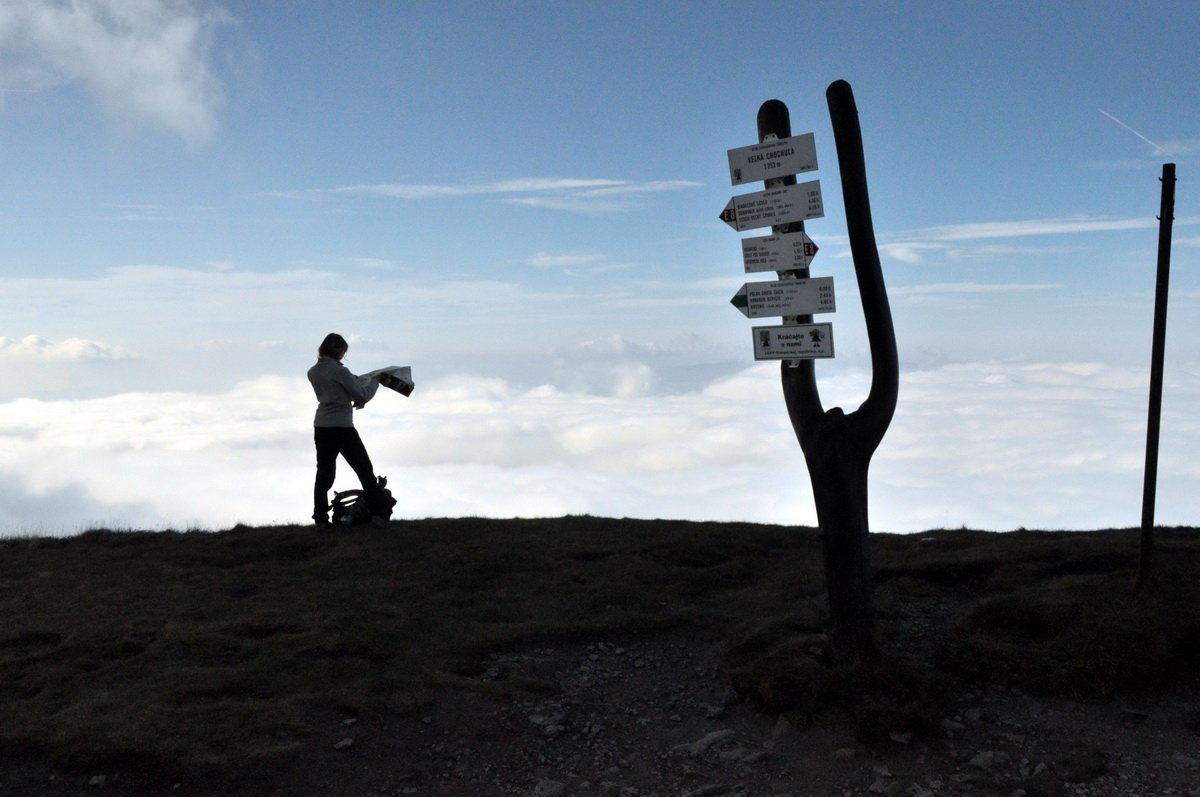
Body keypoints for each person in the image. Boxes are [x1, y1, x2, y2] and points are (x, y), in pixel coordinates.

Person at [307, 332, 390, 527]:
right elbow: (361, 393)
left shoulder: (313, 372)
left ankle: (320, 519)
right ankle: (379, 515)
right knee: (364, 470)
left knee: (324, 473)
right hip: (342, 427)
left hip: (321, 426)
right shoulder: (340, 371)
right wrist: (376, 381)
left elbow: (335, 391)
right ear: (338, 350)